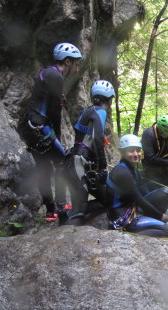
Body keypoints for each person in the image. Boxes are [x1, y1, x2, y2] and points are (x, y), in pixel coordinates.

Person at [21, 42, 82, 222]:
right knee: (63, 162)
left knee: (44, 168)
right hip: (41, 128)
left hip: (31, 126)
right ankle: (61, 206)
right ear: (68, 62)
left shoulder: (47, 72)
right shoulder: (56, 75)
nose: (77, 69)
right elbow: (54, 111)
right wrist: (56, 134)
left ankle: (50, 211)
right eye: (76, 64)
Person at [105, 134, 168, 238]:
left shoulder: (131, 169)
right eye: (131, 151)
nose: (136, 154)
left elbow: (141, 189)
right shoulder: (122, 173)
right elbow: (138, 199)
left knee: (167, 209)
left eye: (138, 150)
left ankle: (144, 224)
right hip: (123, 218)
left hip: (131, 209)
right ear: (122, 152)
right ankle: (129, 237)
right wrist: (159, 215)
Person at [67, 80, 115, 225]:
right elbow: (97, 138)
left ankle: (69, 214)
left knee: (103, 199)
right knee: (80, 210)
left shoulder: (88, 111)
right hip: (80, 163)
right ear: (110, 99)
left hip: (78, 162)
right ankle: (69, 221)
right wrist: (102, 166)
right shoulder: (100, 111)